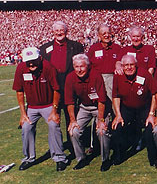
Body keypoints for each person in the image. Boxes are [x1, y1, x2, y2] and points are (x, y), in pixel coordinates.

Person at [13, 47, 68, 171]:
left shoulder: (48, 67)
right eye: (28, 61)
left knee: (54, 126)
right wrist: (23, 113)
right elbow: (19, 91)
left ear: (40, 58)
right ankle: (28, 158)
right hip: (31, 107)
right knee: (26, 128)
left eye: (33, 60)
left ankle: (59, 158)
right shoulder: (21, 68)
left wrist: (54, 110)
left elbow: (56, 89)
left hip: (48, 105)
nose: (31, 64)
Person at [39, 21, 84, 149]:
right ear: (53, 32)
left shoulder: (76, 46)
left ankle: (74, 146)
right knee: (54, 119)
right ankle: (58, 148)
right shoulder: (45, 48)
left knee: (72, 117)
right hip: (53, 89)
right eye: (56, 31)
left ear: (66, 31)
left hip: (70, 87)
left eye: (61, 30)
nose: (59, 33)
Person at [64, 54, 112, 171]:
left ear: (88, 66)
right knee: (73, 131)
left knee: (102, 131)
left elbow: (101, 100)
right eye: (76, 67)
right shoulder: (70, 78)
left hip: (99, 107)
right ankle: (81, 159)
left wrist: (101, 120)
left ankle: (105, 159)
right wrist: (72, 120)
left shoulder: (96, 75)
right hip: (84, 107)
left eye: (82, 66)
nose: (79, 70)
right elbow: (69, 101)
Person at [111, 54, 157, 166]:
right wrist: (118, 114)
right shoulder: (118, 76)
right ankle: (118, 155)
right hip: (127, 108)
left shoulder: (144, 74)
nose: (129, 67)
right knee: (116, 127)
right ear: (122, 66)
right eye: (126, 65)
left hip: (144, 108)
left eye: (131, 64)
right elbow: (116, 96)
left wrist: (151, 113)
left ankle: (153, 157)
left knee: (149, 129)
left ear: (136, 65)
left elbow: (154, 95)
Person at [87, 24, 121, 101]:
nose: (106, 35)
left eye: (108, 33)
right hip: (98, 78)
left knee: (113, 100)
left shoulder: (117, 48)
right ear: (99, 36)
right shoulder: (94, 48)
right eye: (103, 33)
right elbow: (89, 64)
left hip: (112, 79)